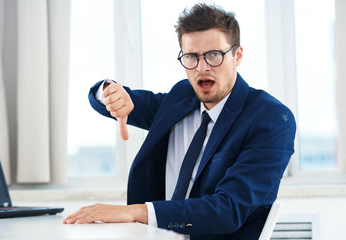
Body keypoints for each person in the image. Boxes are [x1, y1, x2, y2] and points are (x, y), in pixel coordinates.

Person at [63, 3, 296, 240]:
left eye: (214, 55)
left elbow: (227, 210)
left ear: (237, 55)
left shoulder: (271, 119)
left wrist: (134, 212)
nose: (202, 67)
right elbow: (113, 99)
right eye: (191, 56)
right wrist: (109, 92)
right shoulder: (182, 97)